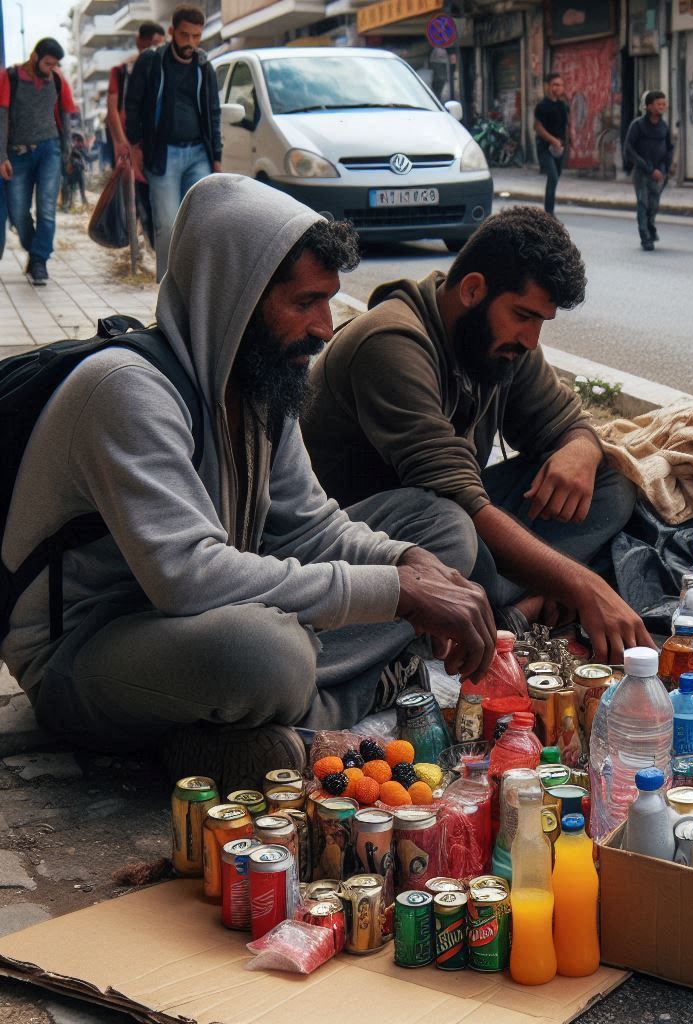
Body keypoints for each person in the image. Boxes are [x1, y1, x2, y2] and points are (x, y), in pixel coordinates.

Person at [0, 174, 496, 792]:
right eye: (304, 302)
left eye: (328, 302)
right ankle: (335, 694)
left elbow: (311, 526)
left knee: (443, 532)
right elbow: (189, 576)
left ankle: (251, 731)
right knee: (269, 655)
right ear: (232, 298)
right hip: (88, 654)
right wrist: (397, 596)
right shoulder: (126, 390)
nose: (324, 326)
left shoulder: (260, 382)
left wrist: (408, 565)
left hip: (204, 615)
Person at [302, 206, 653, 664]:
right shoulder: (390, 342)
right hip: (370, 538)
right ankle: (512, 605)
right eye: (523, 315)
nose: (531, 339)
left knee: (612, 482)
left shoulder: (503, 342)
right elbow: (462, 501)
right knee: (457, 532)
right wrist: (587, 588)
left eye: (541, 322)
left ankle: (504, 604)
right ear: (472, 290)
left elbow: (570, 423)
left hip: (456, 519)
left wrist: (581, 450)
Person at [125, 5, 221, 281]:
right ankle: (167, 287)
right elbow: (132, 104)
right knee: (167, 224)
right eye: (184, 35)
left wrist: (217, 155)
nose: (190, 42)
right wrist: (135, 146)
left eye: (196, 36)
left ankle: (197, 285)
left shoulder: (204, 65)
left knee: (201, 221)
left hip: (198, 154)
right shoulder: (151, 61)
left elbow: (213, 112)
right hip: (163, 155)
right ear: (171, 32)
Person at [0, 38, 78, 285]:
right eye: (47, 63)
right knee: (19, 212)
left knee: (46, 209)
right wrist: (1, 156)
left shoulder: (56, 79)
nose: (50, 68)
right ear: (35, 57)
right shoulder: (10, 78)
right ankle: (36, 251)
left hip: (49, 150)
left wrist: (66, 154)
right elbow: (1, 119)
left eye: (54, 64)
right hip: (17, 154)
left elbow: (66, 116)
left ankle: (39, 261)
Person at [107, 19, 165, 247]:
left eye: (159, 44)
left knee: (157, 201)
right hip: (131, 145)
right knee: (138, 199)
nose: (154, 48)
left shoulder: (164, 67)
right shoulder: (122, 72)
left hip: (157, 145)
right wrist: (122, 142)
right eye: (151, 43)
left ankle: (152, 245)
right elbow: (112, 110)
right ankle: (144, 245)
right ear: (139, 42)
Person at [624, 91, 673, 251]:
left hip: (659, 174)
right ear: (649, 106)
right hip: (642, 173)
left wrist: (664, 168)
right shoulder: (637, 125)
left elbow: (669, 149)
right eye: (659, 104)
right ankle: (645, 237)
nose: (662, 107)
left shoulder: (664, 126)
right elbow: (629, 149)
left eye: (664, 104)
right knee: (642, 203)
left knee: (654, 205)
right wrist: (648, 168)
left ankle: (650, 227)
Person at [534, 73, 570, 216]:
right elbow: (537, 127)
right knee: (553, 176)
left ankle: (549, 209)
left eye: (560, 85)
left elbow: (565, 126)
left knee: (555, 179)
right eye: (554, 84)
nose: (557, 88)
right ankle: (549, 213)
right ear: (548, 86)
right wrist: (553, 140)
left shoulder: (562, 106)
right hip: (545, 148)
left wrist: (564, 143)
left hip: (560, 148)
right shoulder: (542, 106)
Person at [60, 132, 88, 211]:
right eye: (76, 141)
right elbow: (64, 161)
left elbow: (84, 163)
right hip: (69, 173)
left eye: (78, 141)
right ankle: (66, 204)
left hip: (78, 172)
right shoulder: (67, 147)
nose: (77, 143)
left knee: (80, 189)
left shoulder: (81, 150)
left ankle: (83, 202)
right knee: (68, 188)